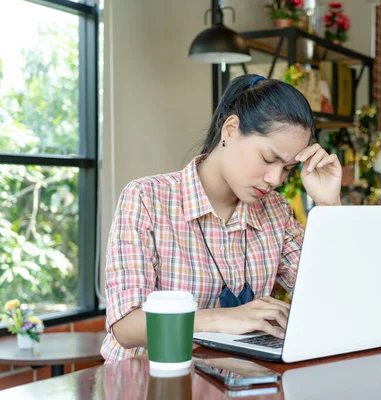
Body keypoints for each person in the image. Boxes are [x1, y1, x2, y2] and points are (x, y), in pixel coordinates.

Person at [101, 74, 342, 362]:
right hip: (147, 381)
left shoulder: (276, 211)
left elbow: (333, 295)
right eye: (268, 159)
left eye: (288, 168)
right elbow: (125, 326)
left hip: (236, 384)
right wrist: (222, 319)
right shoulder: (146, 199)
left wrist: (329, 204)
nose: (275, 179)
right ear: (230, 129)